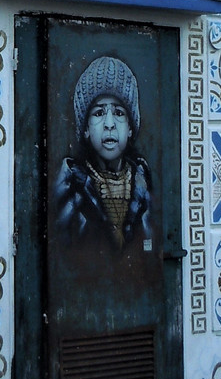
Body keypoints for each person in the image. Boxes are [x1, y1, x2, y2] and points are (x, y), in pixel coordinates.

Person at [54, 55, 152, 250]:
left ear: (131, 127)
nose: (109, 124)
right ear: (86, 129)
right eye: (99, 113)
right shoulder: (69, 189)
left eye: (119, 113)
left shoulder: (145, 185)